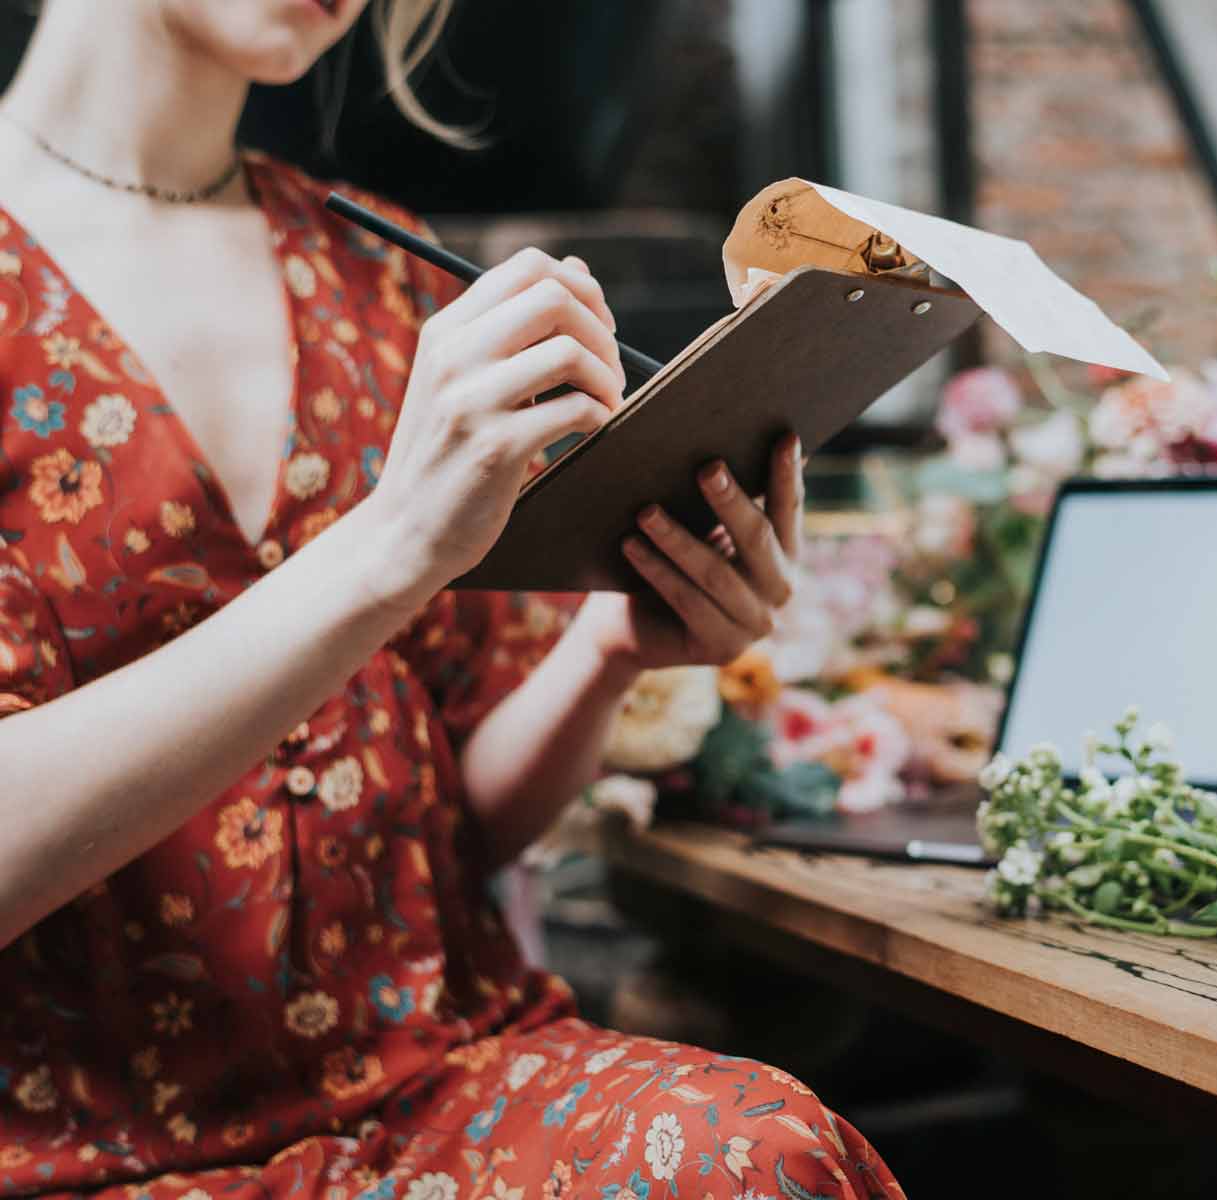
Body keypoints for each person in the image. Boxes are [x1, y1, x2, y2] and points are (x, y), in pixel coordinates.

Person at [0, 1, 904, 1196]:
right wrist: (386, 549)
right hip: (78, 1146)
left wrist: (609, 649)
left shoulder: (378, 275)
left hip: (434, 1087)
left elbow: (462, 824)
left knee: (759, 1152)